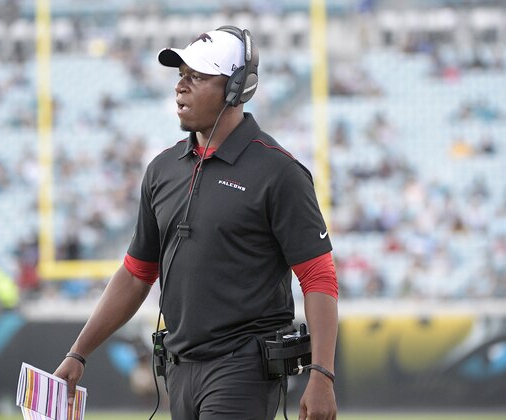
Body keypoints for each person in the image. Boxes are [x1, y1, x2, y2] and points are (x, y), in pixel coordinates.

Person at [54, 26, 339, 420]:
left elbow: (318, 277)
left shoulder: (279, 172)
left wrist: (321, 373)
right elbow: (137, 274)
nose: (181, 87)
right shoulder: (162, 169)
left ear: (237, 88)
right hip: (179, 369)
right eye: (181, 75)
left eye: (198, 77)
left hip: (244, 369)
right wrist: (78, 352)